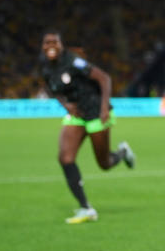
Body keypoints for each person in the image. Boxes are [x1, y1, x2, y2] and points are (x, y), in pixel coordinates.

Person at [40, 29, 136, 224]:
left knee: (104, 164)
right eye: (47, 43)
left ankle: (122, 152)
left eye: (54, 42)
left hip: (95, 112)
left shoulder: (73, 62)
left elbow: (104, 78)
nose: (51, 46)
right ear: (42, 47)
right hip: (77, 115)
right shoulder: (45, 68)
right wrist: (65, 105)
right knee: (65, 158)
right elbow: (50, 89)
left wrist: (104, 109)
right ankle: (86, 208)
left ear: (61, 45)